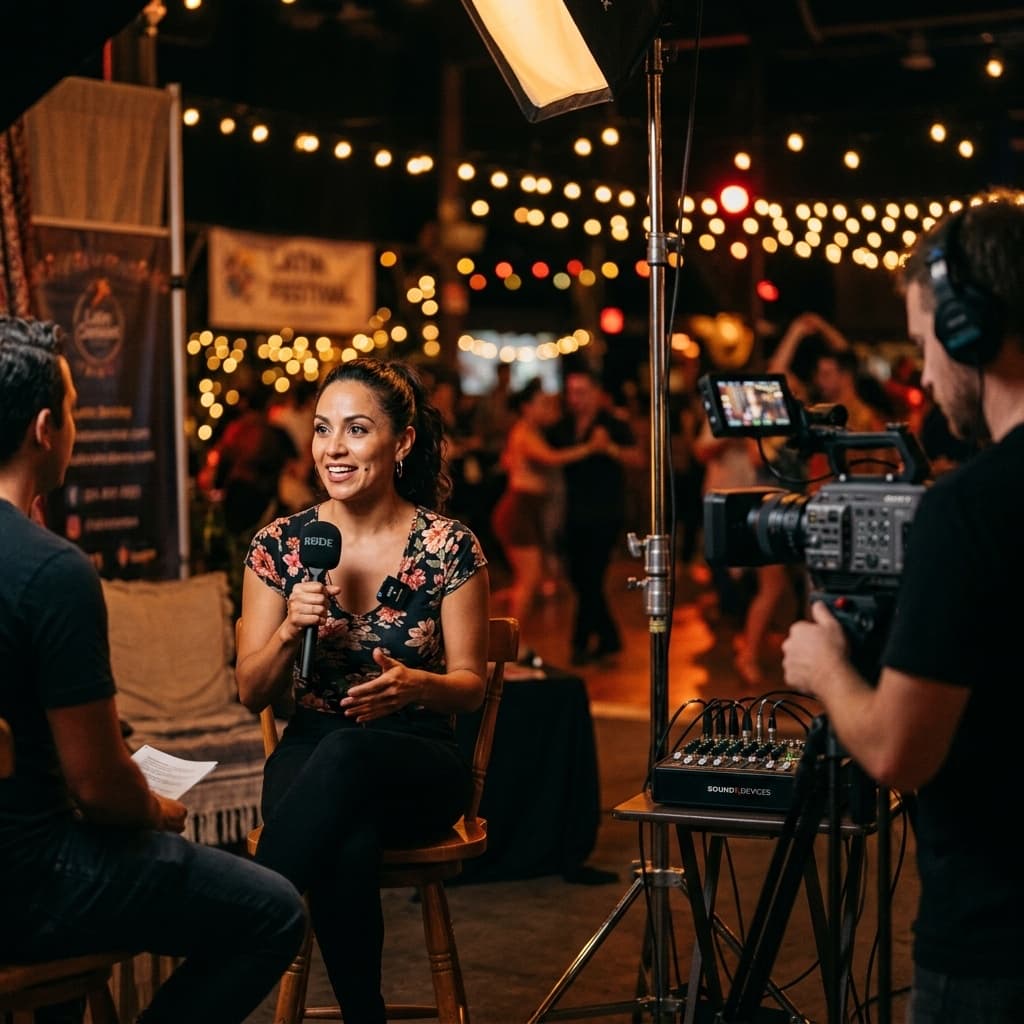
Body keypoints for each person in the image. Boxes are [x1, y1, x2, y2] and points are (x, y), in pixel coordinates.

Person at [0, 315, 306, 1023]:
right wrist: (157, 809)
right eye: (75, 410)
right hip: (29, 882)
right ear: (47, 428)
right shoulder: (51, 569)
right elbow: (101, 790)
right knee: (274, 911)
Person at [780, 189, 1024, 1023]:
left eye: (925, 342)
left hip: (995, 945)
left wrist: (826, 667)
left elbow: (895, 753)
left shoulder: (971, 509)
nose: (921, 372)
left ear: (971, 331)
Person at [235, 357, 490, 1024]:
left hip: (416, 754)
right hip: (312, 747)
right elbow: (249, 691)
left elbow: (470, 687)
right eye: (323, 430)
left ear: (401, 442)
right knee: (344, 833)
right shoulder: (280, 546)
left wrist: (415, 686)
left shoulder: (448, 546)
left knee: (347, 760)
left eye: (355, 429)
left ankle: (236, 918)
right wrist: (291, 627)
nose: (334, 448)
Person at [491, 377, 607, 658]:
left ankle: (510, 641)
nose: (548, 409)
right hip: (519, 511)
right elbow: (551, 458)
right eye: (542, 403)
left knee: (528, 581)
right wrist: (590, 448)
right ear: (527, 407)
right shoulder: (524, 432)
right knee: (529, 581)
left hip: (526, 511)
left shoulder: (530, 430)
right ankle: (507, 648)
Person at [547, 366, 644, 666]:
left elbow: (639, 459)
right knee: (580, 579)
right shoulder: (562, 426)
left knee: (592, 577)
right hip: (572, 512)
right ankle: (609, 638)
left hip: (605, 512)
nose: (576, 399)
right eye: (572, 393)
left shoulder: (613, 424)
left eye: (582, 392)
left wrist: (610, 449)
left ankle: (579, 644)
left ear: (597, 394)